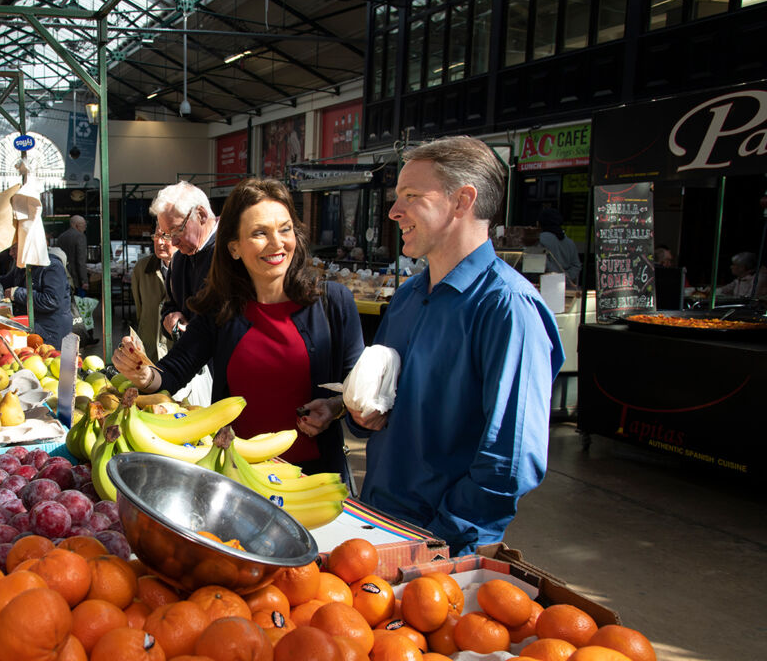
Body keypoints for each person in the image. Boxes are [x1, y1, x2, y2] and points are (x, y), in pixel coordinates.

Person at [346, 136, 563, 555]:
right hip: (377, 523)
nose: (394, 212)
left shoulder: (508, 308)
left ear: (463, 201)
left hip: (439, 547)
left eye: (411, 196)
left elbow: (511, 460)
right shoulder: (410, 296)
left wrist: (442, 538)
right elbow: (386, 404)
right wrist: (359, 414)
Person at [113, 178, 365, 472]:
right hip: (236, 472)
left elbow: (354, 390)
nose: (277, 243)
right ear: (234, 247)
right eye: (260, 233)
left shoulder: (333, 302)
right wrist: (142, 374)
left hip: (314, 479)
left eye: (285, 229)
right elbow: (172, 373)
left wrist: (335, 407)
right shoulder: (219, 307)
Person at [152, 182, 218, 338]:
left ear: (201, 215)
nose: (173, 242)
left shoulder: (233, 251)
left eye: (176, 231)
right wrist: (171, 321)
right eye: (168, 234)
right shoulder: (179, 260)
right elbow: (170, 307)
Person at [0, 245, 72, 345]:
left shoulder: (53, 267)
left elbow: (51, 300)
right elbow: (5, 281)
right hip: (34, 329)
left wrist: (17, 293)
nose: (10, 253)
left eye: (14, 248)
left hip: (50, 334)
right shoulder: (23, 266)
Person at [130, 231, 175, 363]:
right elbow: (140, 310)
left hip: (179, 356)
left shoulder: (192, 268)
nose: (159, 242)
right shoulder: (141, 268)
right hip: (149, 352)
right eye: (156, 236)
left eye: (166, 236)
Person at [538, 206, 582, 286]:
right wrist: (566, 277)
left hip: (547, 285)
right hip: (566, 286)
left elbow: (541, 264)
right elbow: (576, 265)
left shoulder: (540, 239)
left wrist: (557, 276)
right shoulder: (570, 242)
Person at [56, 216, 89, 294]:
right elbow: (80, 261)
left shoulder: (61, 237)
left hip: (63, 275)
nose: (85, 228)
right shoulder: (80, 236)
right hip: (76, 277)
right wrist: (84, 281)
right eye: (83, 225)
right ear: (77, 225)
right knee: (80, 303)